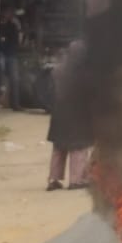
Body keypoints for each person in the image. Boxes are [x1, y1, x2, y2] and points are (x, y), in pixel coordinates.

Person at [46, 41, 93, 190]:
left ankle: (54, 179)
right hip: (78, 114)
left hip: (59, 112)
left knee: (59, 147)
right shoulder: (85, 73)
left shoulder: (58, 70)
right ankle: (76, 180)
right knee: (79, 147)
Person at [0, 6, 22, 110]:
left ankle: (15, 104)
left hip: (11, 54)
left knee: (15, 79)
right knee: (0, 69)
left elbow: (16, 42)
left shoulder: (12, 26)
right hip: (0, 53)